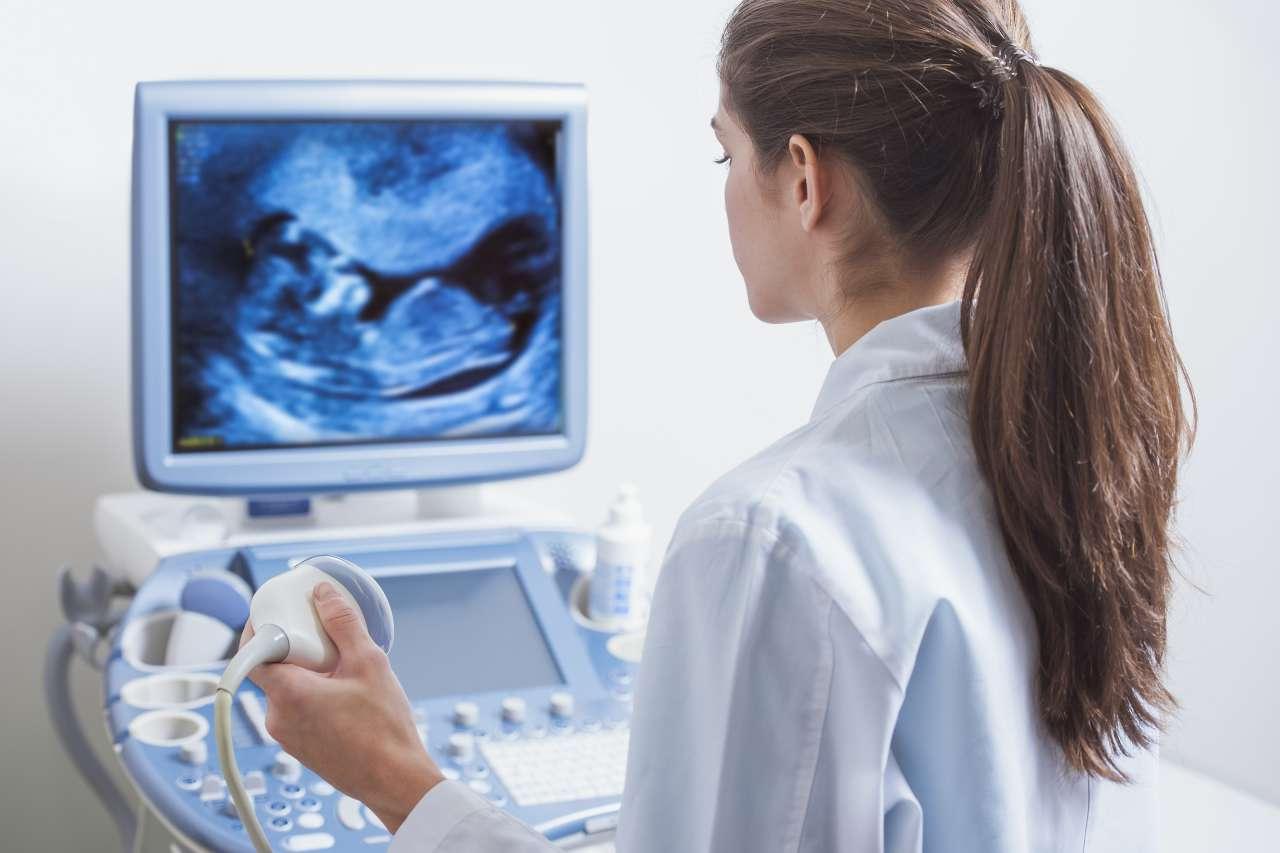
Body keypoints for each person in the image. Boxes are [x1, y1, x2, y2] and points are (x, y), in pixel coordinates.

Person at [244, 0, 1194, 849]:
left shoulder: (774, 540)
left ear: (805, 180)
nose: (727, 188)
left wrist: (396, 781)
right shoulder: (1090, 460)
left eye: (726, 153)